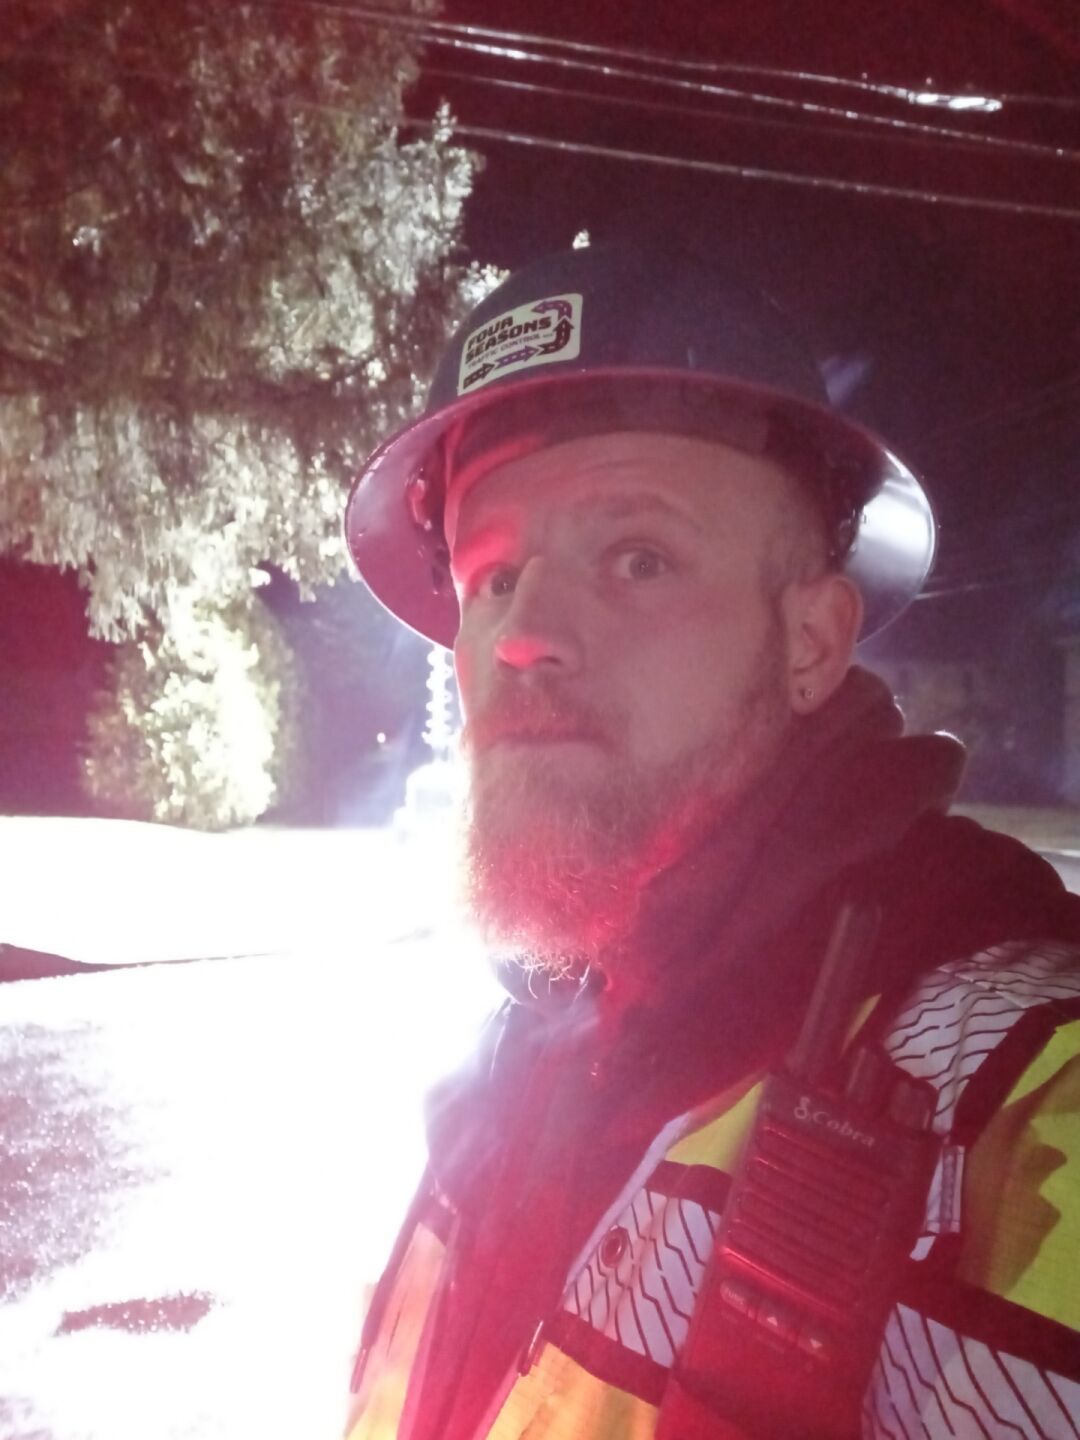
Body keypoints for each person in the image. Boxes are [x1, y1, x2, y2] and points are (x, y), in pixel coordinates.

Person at [340, 242, 1080, 1439]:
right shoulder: (526, 1040)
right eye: (492, 576)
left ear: (810, 643)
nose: (524, 631)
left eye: (639, 558)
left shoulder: (1017, 1101)